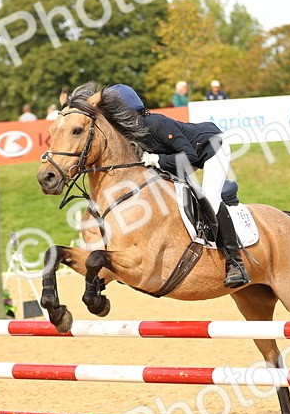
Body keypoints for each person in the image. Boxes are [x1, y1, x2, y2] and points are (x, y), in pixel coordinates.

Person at [105, 84, 249, 288]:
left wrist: (157, 160)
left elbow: (189, 156)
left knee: (210, 198)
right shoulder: (132, 136)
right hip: (181, 159)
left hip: (211, 148)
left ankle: (236, 264)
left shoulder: (156, 123)